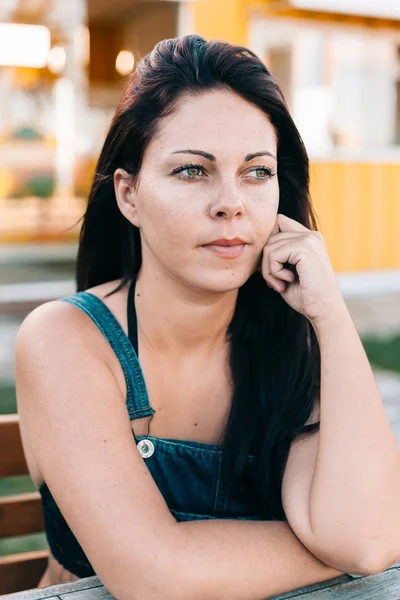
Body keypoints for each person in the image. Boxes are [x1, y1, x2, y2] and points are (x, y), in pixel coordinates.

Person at [16, 34, 400, 599]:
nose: (231, 202)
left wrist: (330, 316)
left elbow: (366, 541)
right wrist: (329, 546)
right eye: (193, 171)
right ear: (128, 195)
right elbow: (155, 580)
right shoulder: (66, 339)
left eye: (257, 171)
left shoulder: (287, 339)